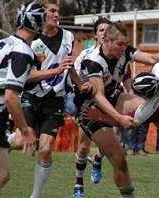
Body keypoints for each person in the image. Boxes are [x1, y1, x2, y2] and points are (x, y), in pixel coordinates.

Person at [75, 21, 159, 198]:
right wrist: (119, 119)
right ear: (106, 41)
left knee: (155, 109)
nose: (124, 49)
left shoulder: (125, 51)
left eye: (125, 44)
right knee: (119, 160)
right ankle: (85, 179)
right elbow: (98, 96)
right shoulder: (92, 61)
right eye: (120, 44)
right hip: (90, 111)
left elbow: (152, 59)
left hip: (114, 98)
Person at [7, 1, 90, 198]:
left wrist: (80, 86)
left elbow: (68, 67)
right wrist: (55, 70)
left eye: (58, 11)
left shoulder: (68, 37)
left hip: (55, 100)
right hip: (30, 98)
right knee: (20, 142)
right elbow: (24, 76)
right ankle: (4, 141)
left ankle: (34, 196)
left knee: (44, 150)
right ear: (41, 15)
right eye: (52, 11)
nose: (56, 15)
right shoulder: (30, 41)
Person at [0, 2, 45, 197]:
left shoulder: (5, 42)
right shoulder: (23, 51)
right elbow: (11, 95)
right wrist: (25, 130)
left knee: (3, 173)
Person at [72, 17, 112, 196]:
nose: (105, 33)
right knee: (83, 146)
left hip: (108, 104)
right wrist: (83, 86)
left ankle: (97, 159)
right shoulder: (86, 54)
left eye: (108, 30)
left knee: (110, 144)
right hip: (88, 104)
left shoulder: (116, 55)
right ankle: (78, 184)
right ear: (95, 35)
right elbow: (73, 75)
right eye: (101, 30)